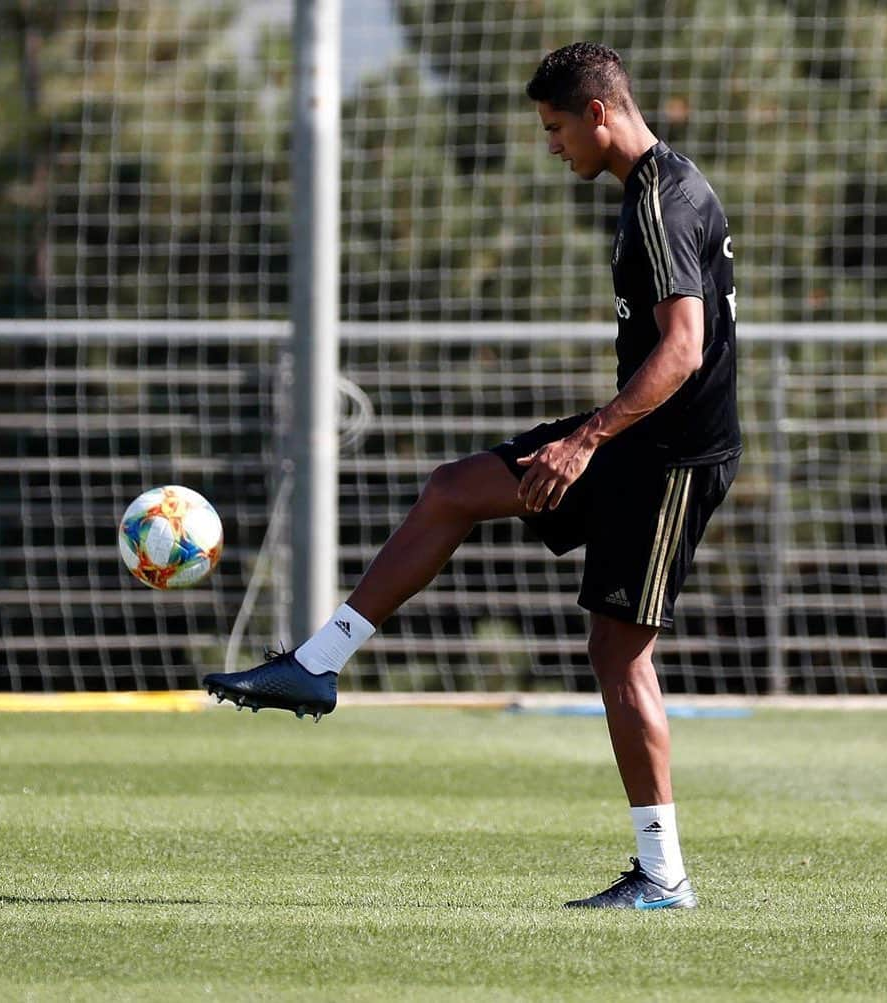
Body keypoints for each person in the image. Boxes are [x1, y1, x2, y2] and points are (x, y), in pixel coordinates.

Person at [203, 41, 741, 911]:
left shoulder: (662, 204)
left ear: (598, 113)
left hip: (670, 456)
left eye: (555, 127)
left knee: (618, 654)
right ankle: (318, 662)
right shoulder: (657, 187)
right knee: (453, 488)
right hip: (634, 440)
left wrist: (585, 440)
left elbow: (682, 351)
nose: (552, 144)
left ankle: (663, 874)